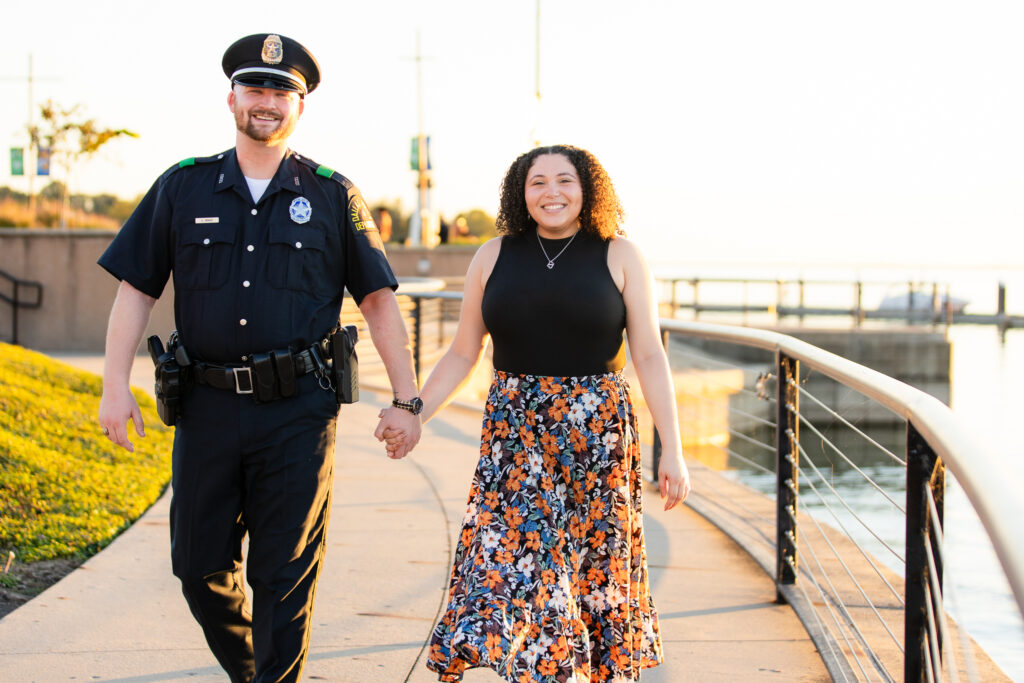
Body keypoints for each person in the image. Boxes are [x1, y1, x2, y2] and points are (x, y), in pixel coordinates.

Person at [96, 33, 422, 683]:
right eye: (256, 89)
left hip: (297, 414)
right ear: (232, 98)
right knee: (196, 568)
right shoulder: (182, 188)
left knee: (283, 576)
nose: (267, 101)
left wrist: (407, 399)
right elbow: (135, 289)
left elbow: (380, 302)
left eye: (282, 92)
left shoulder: (333, 195)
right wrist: (113, 386)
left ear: (300, 107)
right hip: (207, 406)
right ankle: (256, 673)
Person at [376, 144, 691, 682]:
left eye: (564, 181)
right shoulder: (492, 255)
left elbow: (649, 356)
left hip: (598, 440)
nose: (552, 193)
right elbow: (462, 352)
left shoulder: (619, 255)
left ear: (587, 190)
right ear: (521, 194)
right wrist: (415, 412)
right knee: (513, 568)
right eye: (538, 182)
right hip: (514, 439)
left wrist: (674, 451)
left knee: (595, 575)